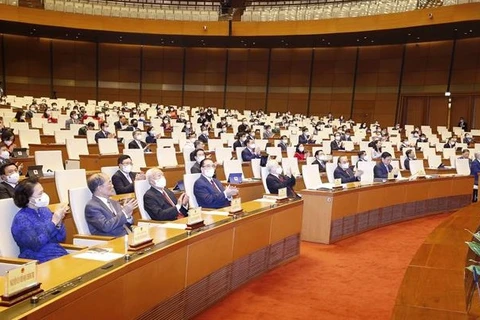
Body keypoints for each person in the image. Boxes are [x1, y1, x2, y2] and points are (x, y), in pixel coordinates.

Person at [11, 178, 69, 263]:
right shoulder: (21, 219)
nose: (44, 195)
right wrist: (53, 222)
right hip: (36, 258)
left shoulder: (45, 210)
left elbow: (60, 238)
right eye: (40, 194)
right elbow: (36, 244)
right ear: (29, 198)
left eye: (43, 192)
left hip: (56, 253)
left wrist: (59, 223)